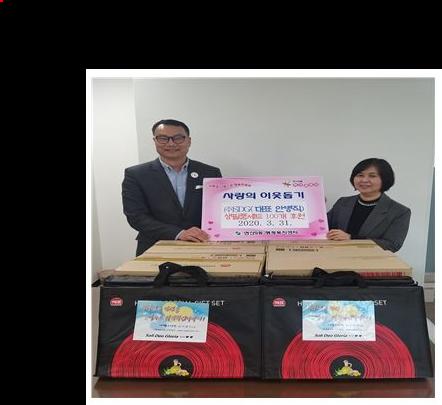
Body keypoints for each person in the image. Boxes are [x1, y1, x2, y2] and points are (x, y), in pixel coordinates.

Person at [122, 119, 222, 256]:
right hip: (154, 246)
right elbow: (136, 216)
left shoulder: (210, 172)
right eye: (163, 138)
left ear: (189, 141)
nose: (171, 143)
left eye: (178, 138)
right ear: (155, 141)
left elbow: (218, 211)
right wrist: (179, 233)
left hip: (202, 243)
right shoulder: (136, 174)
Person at [326, 158, 411, 252]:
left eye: (372, 176)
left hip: (371, 259)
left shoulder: (399, 211)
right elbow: (322, 229)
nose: (364, 180)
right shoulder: (343, 202)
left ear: (385, 179)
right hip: (335, 255)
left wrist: (351, 238)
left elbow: (392, 245)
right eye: (360, 175)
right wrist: (318, 205)